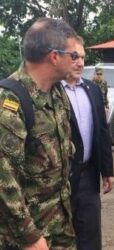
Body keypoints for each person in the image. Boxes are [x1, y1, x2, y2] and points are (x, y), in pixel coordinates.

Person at [0, 18, 79, 250]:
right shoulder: (10, 101)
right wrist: (30, 237)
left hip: (59, 224)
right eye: (72, 55)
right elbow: (4, 182)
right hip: (27, 236)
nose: (77, 62)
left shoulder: (56, 94)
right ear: (54, 57)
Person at [61, 37, 114, 250]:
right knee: (64, 236)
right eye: (74, 57)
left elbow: (102, 131)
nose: (80, 63)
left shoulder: (92, 89)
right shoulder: (53, 91)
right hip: (62, 180)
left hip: (89, 175)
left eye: (82, 57)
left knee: (90, 237)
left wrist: (107, 171)